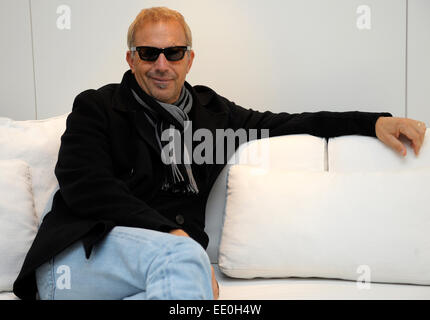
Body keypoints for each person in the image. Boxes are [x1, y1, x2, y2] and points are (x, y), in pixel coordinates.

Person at [13, 7, 426, 300]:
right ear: (130, 59)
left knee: (184, 282)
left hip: (161, 270)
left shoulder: (214, 114)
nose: (161, 64)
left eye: (173, 53)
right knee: (185, 262)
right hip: (75, 263)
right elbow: (88, 186)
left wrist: (372, 122)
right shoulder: (98, 107)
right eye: (148, 53)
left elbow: (292, 122)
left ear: (189, 59)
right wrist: (176, 239)